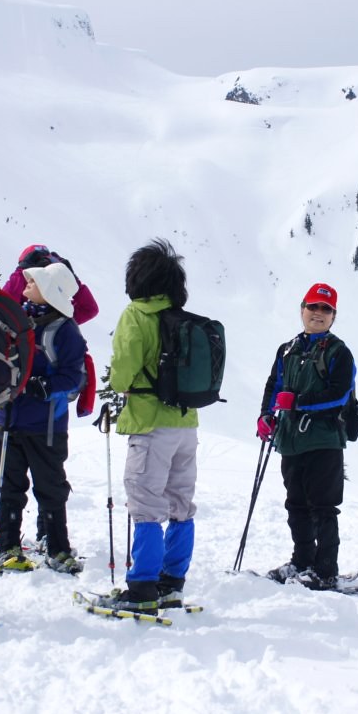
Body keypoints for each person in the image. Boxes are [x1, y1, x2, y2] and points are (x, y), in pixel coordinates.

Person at [96, 238, 198, 614]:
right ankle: (172, 584)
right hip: (187, 423)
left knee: (145, 502)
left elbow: (122, 374)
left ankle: (141, 587)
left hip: (151, 423)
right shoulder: (182, 317)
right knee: (180, 503)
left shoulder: (136, 315)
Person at [257, 282, 357, 591]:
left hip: (324, 439)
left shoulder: (340, 352)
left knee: (323, 506)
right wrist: (266, 415)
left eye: (326, 309)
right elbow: (274, 385)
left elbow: (340, 395)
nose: (318, 313)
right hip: (291, 439)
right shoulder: (287, 349)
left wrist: (298, 402)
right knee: (296, 503)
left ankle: (325, 569)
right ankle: (301, 561)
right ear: (302, 309)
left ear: (333, 316)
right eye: (313, 307)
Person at [0, 261, 88, 575]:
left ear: (50, 292)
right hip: (9, 419)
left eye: (33, 282)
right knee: (7, 483)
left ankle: (57, 546)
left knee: (51, 487)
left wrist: (45, 386)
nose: (26, 284)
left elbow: (74, 376)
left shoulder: (65, 331)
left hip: (45, 425)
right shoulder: (19, 320)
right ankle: (8, 544)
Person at [3, 244, 99, 325]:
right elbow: (5, 307)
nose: (33, 279)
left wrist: (70, 281)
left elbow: (89, 309)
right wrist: (22, 272)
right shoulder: (26, 311)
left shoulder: (58, 316)